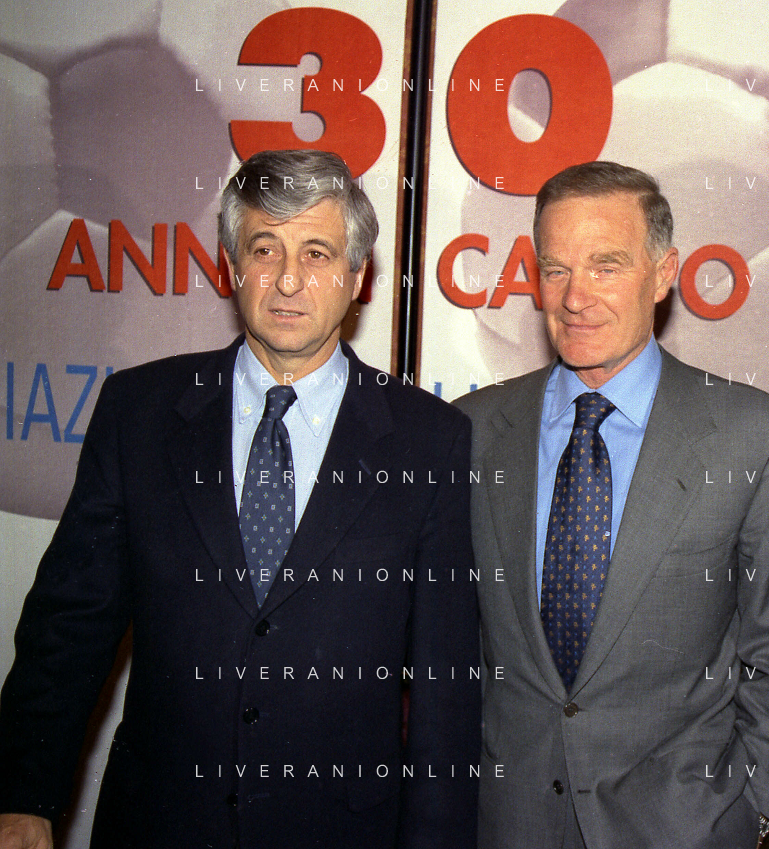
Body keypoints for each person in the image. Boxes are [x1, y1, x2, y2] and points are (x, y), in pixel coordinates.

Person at [0, 150, 480, 848]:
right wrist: (23, 796)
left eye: (316, 253)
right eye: (264, 248)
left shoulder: (429, 442)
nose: (288, 279)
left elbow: (446, 689)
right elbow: (67, 628)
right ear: (230, 267)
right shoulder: (139, 412)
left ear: (357, 276)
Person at [455, 161, 769, 848]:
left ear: (664, 272)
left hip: (684, 827)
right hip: (507, 824)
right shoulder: (469, 430)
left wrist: (755, 809)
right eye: (555, 269)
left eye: (605, 265)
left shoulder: (753, 434)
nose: (575, 296)